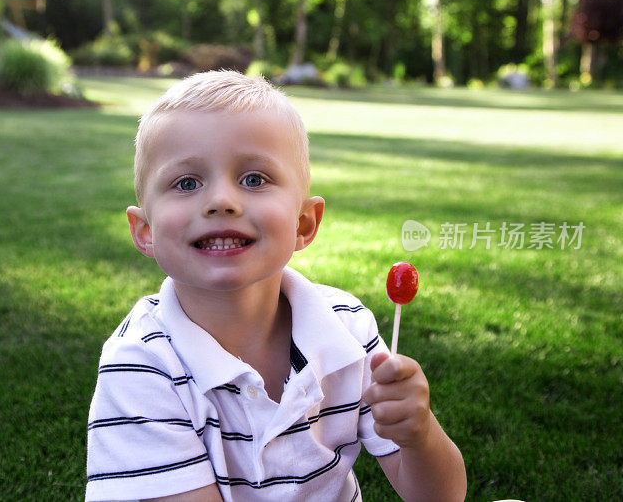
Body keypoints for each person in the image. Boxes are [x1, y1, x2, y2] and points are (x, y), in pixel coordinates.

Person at [85, 70, 466, 502]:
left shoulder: (347, 328)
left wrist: (418, 434)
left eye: (254, 179)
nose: (221, 201)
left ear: (304, 224)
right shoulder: (141, 364)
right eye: (187, 183)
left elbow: (443, 497)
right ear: (145, 231)